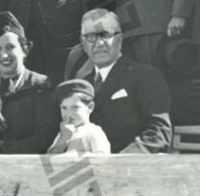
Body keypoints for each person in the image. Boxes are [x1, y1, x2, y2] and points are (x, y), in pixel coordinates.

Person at [64, 8, 171, 152]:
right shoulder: (82, 83)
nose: (99, 43)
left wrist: (121, 161)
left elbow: (159, 132)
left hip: (129, 166)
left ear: (119, 40)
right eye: (91, 37)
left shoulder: (145, 75)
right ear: (84, 44)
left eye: (105, 35)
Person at [0, 10, 58, 153]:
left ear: (24, 50)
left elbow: (45, 138)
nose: (4, 55)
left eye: (10, 47)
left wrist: (2, 148)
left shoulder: (41, 84)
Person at [46, 78, 111, 155]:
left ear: (90, 107)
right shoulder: (63, 133)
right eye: (64, 108)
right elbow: (48, 160)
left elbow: (103, 158)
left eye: (75, 107)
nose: (69, 113)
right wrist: (64, 138)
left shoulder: (93, 132)